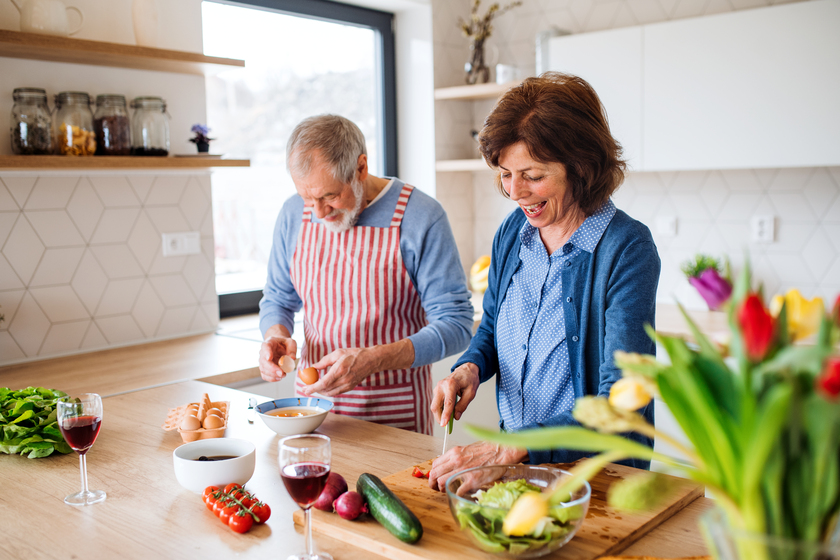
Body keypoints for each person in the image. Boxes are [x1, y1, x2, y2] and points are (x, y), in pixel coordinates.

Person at [428, 72, 661, 491]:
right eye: (504, 174)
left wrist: (508, 449)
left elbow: (620, 404)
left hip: (600, 479)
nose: (516, 192)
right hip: (517, 472)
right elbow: (494, 327)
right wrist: (469, 368)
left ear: (581, 166)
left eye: (533, 176)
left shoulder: (627, 248)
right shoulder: (512, 234)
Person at [258, 114, 474, 435]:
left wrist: (374, 359)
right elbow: (278, 298)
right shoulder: (293, 213)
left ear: (361, 167)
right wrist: (275, 335)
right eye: (307, 198)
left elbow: (456, 324)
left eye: (330, 196)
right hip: (313, 414)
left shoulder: (421, 216)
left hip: (394, 419)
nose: (317, 212)